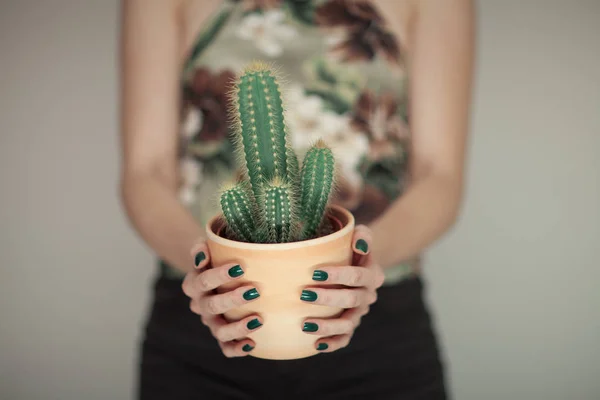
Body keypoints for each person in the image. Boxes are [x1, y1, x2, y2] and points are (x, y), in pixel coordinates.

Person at [119, 0, 474, 398]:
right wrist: (208, 273)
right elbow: (145, 171)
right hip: (205, 318)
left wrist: (360, 265)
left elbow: (439, 176)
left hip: (374, 318)